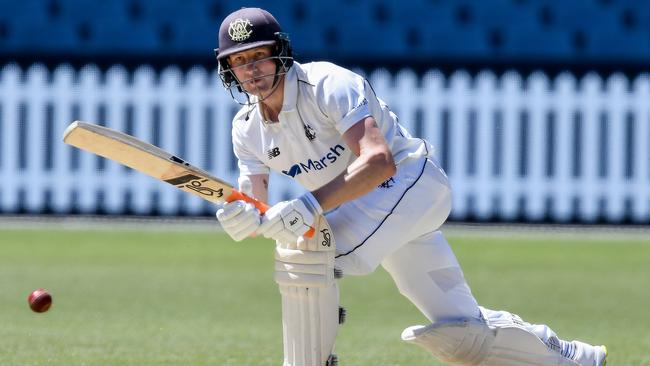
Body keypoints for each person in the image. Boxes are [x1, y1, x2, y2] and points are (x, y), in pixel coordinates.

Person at [213, 7, 607, 366]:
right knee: (464, 335)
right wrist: (247, 216)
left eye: (258, 56)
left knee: (308, 251)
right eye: (239, 61)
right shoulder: (246, 129)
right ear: (229, 69)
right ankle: (572, 357)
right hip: (371, 213)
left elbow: (379, 161)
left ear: (280, 52)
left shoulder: (327, 84)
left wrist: (310, 204)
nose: (251, 69)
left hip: (412, 184)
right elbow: (255, 199)